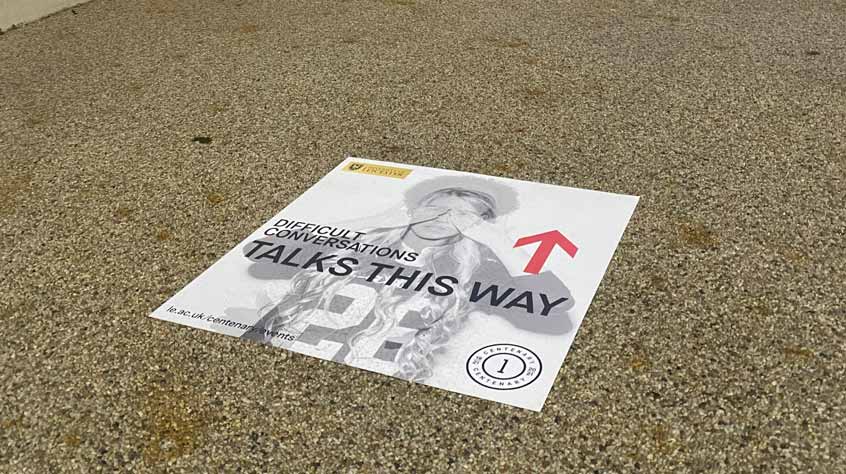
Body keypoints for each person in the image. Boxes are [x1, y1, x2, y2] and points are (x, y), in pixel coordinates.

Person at [231, 176, 574, 383]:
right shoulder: (364, 240)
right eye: (434, 207)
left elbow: (553, 313)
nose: (442, 218)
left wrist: (500, 243)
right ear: (411, 211)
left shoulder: (475, 267)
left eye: (461, 214)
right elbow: (261, 254)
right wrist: (367, 223)